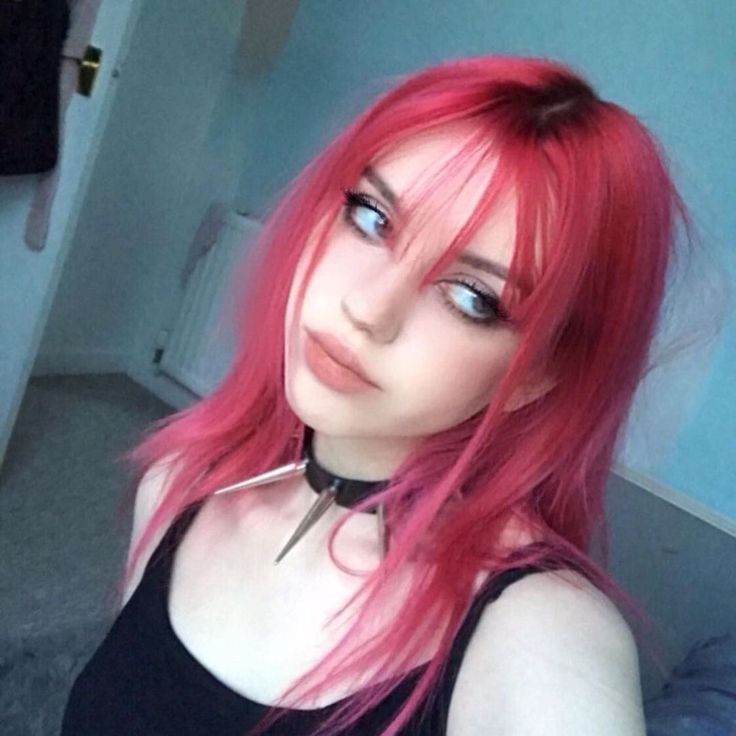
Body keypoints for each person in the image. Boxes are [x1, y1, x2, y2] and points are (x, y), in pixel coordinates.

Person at [61, 54, 690, 735]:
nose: (368, 308)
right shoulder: (178, 485)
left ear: (540, 372)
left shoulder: (540, 638)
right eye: (370, 218)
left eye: (472, 296)